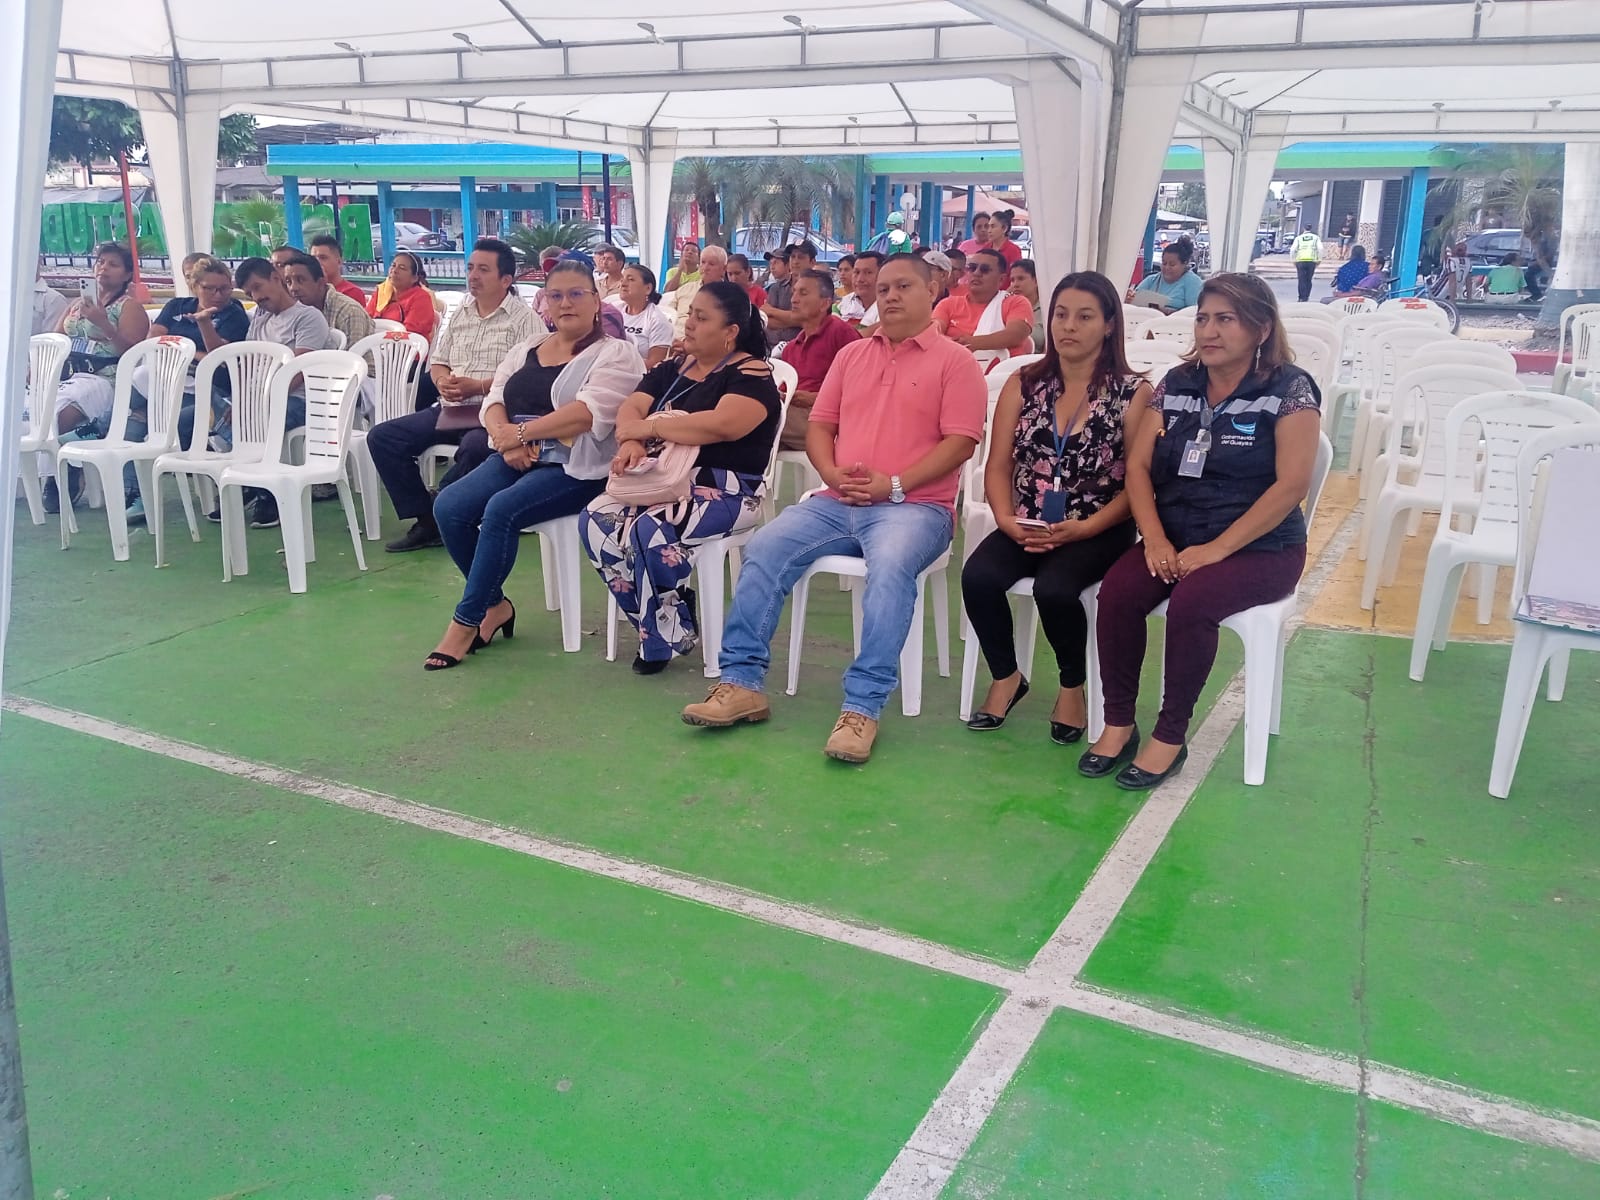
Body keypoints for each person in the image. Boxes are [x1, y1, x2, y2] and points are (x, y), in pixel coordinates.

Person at [680, 255, 985, 763]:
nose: (889, 296)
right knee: (765, 547)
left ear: (932, 290)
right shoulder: (853, 356)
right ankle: (741, 683)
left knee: (890, 568)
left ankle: (862, 707)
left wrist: (894, 485)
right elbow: (821, 427)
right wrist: (832, 474)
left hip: (915, 506)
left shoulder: (956, 362)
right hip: (838, 499)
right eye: (882, 288)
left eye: (903, 286)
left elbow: (961, 443)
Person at [1083, 273, 1321, 790]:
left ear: (1261, 329)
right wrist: (1155, 540)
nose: (1209, 331)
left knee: (1193, 603)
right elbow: (1138, 466)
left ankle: (1170, 736)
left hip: (1262, 547)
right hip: (1176, 538)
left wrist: (1217, 549)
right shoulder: (1177, 384)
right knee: (1118, 593)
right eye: (1203, 318)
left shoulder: (1289, 389)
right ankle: (1119, 722)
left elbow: (1292, 485)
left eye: (1225, 319)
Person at [425, 260, 643, 670]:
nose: (566, 303)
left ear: (596, 300)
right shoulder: (529, 347)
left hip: (577, 468)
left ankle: (465, 622)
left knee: (501, 510)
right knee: (449, 506)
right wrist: (505, 439)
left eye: (576, 293)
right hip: (517, 454)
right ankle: (495, 606)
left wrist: (521, 435)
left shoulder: (616, 354)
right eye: (556, 295)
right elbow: (495, 399)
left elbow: (586, 413)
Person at [962, 270, 1150, 738]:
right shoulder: (1024, 383)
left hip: (1100, 524)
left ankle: (1072, 686)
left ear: (1109, 324)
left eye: (1084, 317)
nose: (1068, 326)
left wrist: (1086, 528)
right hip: (1028, 519)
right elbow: (998, 465)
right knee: (978, 577)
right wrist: (1006, 519)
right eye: (1061, 315)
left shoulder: (1133, 393)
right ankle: (1007, 676)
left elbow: (1138, 484)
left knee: (1056, 589)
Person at [579, 282, 782, 674]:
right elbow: (630, 409)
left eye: (702, 318)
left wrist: (650, 427)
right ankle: (666, 619)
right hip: (661, 479)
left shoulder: (750, 374)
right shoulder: (673, 368)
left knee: (649, 529)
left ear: (730, 331)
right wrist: (632, 439)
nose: (689, 324)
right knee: (594, 519)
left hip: (728, 490)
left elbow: (721, 425)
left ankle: (658, 639)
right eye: (691, 314)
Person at [368, 237, 534, 552]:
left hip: (493, 413)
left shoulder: (525, 320)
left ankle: (446, 507)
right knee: (383, 437)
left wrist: (479, 387)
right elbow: (439, 361)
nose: (473, 276)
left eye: (483, 270)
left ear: (506, 279)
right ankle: (427, 519)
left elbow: (527, 380)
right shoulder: (462, 313)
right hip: (452, 408)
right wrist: (443, 380)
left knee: (476, 447)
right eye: (470, 268)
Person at [225, 256, 335, 528]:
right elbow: (250, 364)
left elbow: (296, 373)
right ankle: (249, 482)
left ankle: (265, 491)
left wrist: (255, 404)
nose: (256, 297)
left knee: (255, 420)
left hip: (302, 400)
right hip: (262, 399)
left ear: (276, 278)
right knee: (194, 418)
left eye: (257, 287)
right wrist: (242, 401)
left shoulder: (308, 317)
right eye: (249, 293)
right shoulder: (260, 319)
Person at [51, 242, 149, 438]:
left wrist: (104, 324)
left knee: (62, 414)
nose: (104, 268)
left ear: (127, 275)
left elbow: (132, 353)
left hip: (105, 378)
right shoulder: (77, 304)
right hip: (69, 374)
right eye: (101, 262)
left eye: (113, 264)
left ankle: (62, 455)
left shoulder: (129, 307)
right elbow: (56, 339)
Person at [778, 269, 859, 451]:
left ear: (825, 303)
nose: (794, 299)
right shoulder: (791, 348)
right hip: (794, 417)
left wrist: (813, 399)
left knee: (758, 418)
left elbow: (860, 390)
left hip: (829, 419)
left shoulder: (840, 332)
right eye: (794, 292)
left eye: (803, 293)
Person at [933, 248, 1035, 370]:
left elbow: (1015, 335)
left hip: (1003, 375)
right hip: (952, 371)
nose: (976, 273)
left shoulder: (1016, 302)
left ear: (1001, 279)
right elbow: (933, 331)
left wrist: (969, 343)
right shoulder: (948, 304)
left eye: (985, 270)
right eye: (972, 268)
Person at [282, 252, 373, 349]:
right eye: (288, 282)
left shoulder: (349, 311)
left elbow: (353, 355)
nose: (293, 288)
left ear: (320, 283)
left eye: (300, 280)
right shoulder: (293, 311)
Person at [605, 263, 674, 370]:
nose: (623, 284)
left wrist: (620, 368)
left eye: (631, 280)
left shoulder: (657, 321)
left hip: (634, 374)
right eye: (622, 279)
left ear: (648, 288)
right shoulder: (613, 310)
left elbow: (655, 364)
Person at [367, 251, 437, 341]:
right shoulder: (381, 292)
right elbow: (366, 320)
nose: (394, 270)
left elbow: (410, 334)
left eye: (402, 268)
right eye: (393, 265)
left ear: (414, 278)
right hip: (376, 343)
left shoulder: (421, 298)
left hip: (406, 347)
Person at [762, 240, 817, 347]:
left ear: (812, 262)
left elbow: (810, 319)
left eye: (800, 257)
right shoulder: (776, 288)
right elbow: (767, 319)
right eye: (793, 257)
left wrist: (773, 311)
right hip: (771, 346)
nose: (795, 261)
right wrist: (798, 320)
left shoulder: (819, 288)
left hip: (801, 346)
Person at [1128, 239, 1203, 314]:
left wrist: (1166, 312)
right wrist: (1129, 299)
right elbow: (1134, 300)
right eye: (1164, 263)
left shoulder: (1193, 282)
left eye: (1172, 264)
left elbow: (1195, 312)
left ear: (1185, 264)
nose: (1167, 267)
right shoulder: (1151, 280)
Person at [309, 234, 368, 305]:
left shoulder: (352, 292)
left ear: (339, 261)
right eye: (313, 258)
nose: (317, 262)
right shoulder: (307, 291)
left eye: (323, 258)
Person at [838, 251, 883, 327]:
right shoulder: (843, 303)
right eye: (856, 272)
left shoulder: (890, 306)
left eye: (868, 272)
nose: (859, 279)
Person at [1008, 258, 1044, 351]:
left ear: (1036, 281)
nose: (1015, 284)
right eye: (1012, 280)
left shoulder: (1046, 308)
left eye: (1021, 279)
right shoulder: (1006, 307)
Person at [1290, 225, 1323, 303]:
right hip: (1311, 261)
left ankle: (1301, 297)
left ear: (1303, 229)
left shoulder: (1299, 238)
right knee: (1308, 280)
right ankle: (1306, 297)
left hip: (1300, 261)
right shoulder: (1316, 238)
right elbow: (1320, 248)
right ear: (1311, 229)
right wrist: (1319, 259)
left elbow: (1293, 249)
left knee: (1301, 280)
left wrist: (1293, 259)